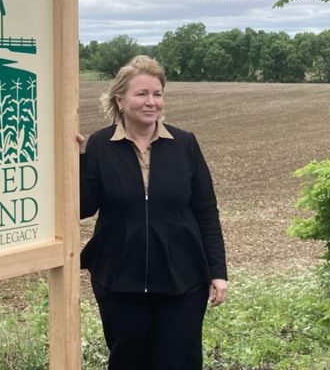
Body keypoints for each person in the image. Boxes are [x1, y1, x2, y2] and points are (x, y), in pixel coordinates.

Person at [79, 55, 227, 370]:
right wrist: (77, 160)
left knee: (180, 362)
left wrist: (217, 271)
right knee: (128, 362)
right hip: (119, 280)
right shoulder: (100, 145)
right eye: (142, 94)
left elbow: (205, 211)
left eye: (157, 94)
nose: (152, 102)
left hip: (183, 280)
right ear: (120, 99)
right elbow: (83, 207)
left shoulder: (184, 143)